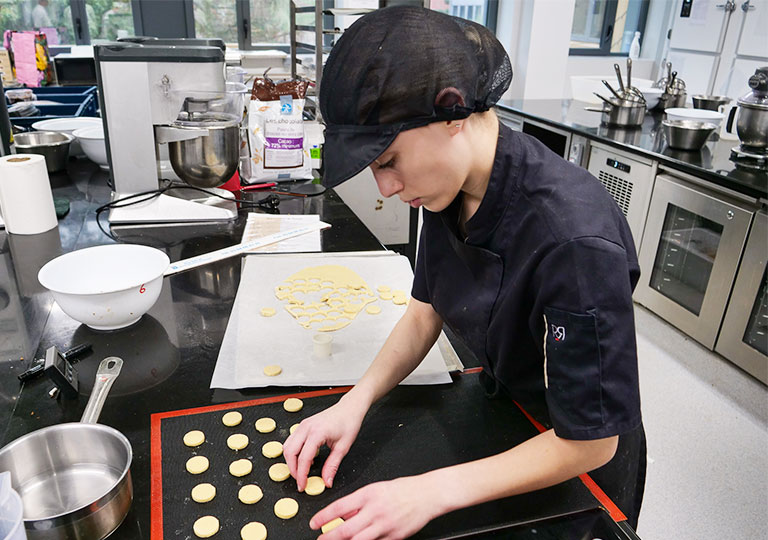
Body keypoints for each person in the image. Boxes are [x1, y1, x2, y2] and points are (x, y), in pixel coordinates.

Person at [283, 6, 646, 539]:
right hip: (507, 420)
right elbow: (424, 312)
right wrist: (353, 403)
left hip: (571, 462)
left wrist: (429, 492)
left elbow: (591, 442)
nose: (384, 189)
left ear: (452, 112)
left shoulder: (573, 239)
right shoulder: (447, 191)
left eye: (388, 160)